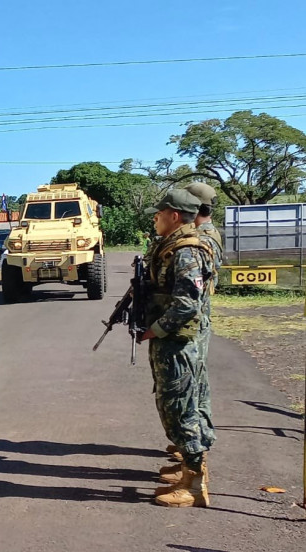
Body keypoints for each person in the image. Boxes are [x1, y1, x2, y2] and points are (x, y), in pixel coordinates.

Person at [136, 188, 215, 507]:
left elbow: (186, 304)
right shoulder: (172, 246)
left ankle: (194, 486)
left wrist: (155, 330)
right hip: (174, 341)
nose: (155, 217)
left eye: (160, 212)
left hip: (177, 342)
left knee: (180, 407)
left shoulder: (186, 251)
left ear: (175, 215)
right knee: (178, 404)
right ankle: (189, 472)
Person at [159, 183, 222, 474]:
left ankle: (194, 457)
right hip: (192, 323)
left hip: (189, 327)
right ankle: (191, 450)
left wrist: (159, 327)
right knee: (190, 389)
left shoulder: (196, 242)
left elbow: (189, 298)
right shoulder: (200, 237)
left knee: (186, 393)